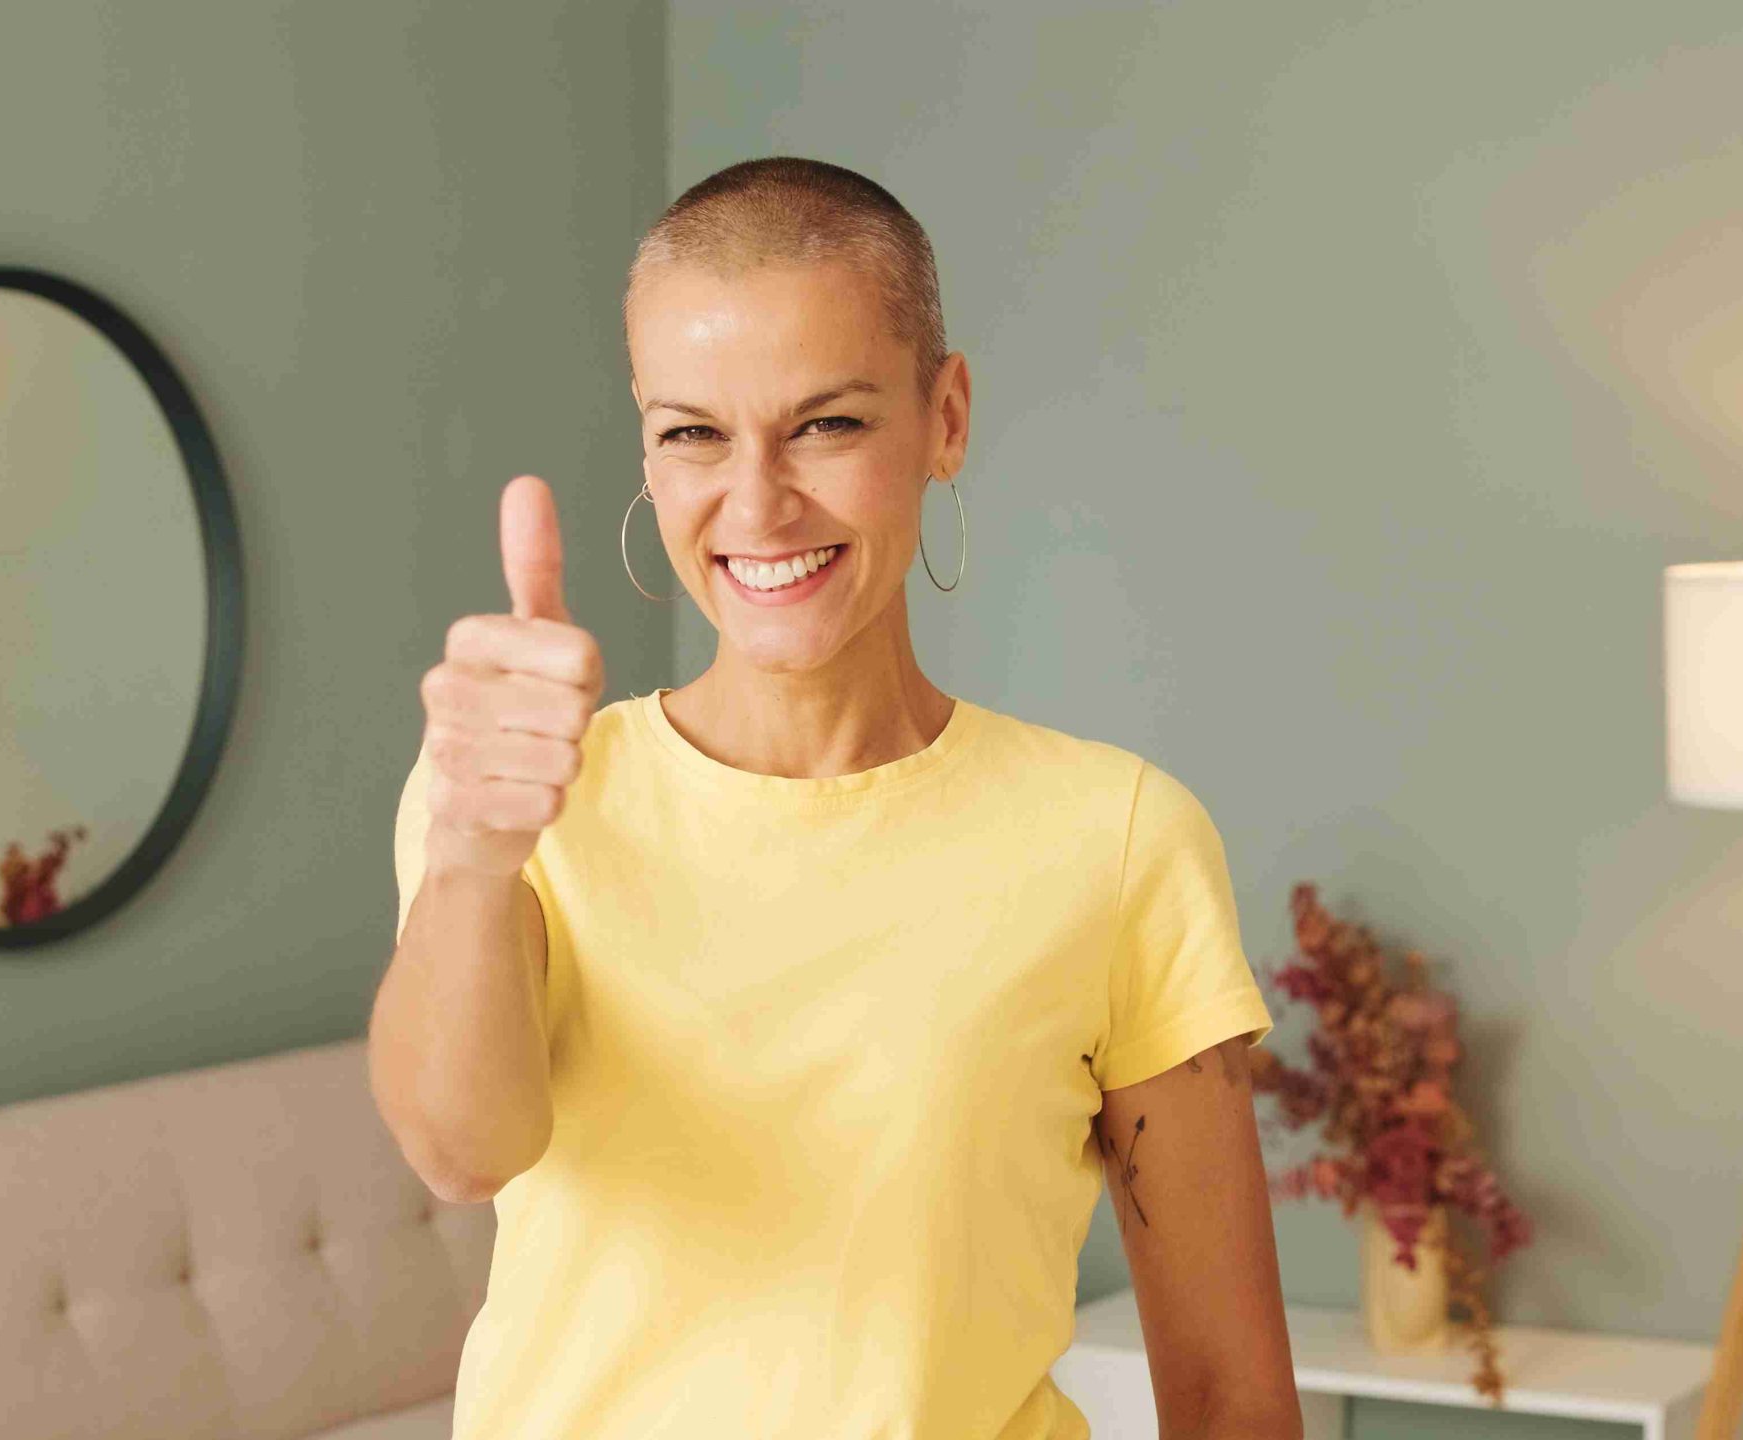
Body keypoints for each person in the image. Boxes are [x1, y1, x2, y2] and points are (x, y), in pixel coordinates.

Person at [371, 156, 1302, 1440]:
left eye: (827, 423)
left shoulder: (1120, 840)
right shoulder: (517, 798)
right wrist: (475, 859)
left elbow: (1230, 1397)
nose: (755, 503)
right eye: (692, 432)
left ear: (947, 418)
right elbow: (458, 1149)